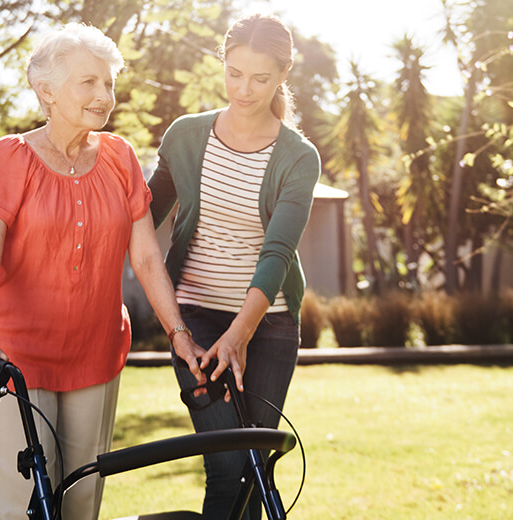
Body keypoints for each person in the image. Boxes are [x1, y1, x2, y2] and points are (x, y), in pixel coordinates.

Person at [0, 23, 199, 520]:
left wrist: (178, 333)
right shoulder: (9, 157)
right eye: (88, 82)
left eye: (108, 83)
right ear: (47, 91)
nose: (103, 95)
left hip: (94, 353)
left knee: (81, 502)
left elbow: (147, 256)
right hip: (11, 357)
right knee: (19, 507)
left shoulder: (120, 157)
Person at [147, 13, 321, 519]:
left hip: (268, 326)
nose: (245, 89)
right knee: (226, 467)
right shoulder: (185, 136)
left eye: (261, 78)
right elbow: (139, 217)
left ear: (283, 75)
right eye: (234, 73)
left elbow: (277, 252)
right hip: (195, 320)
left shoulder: (297, 157)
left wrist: (241, 334)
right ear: (222, 65)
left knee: (256, 467)